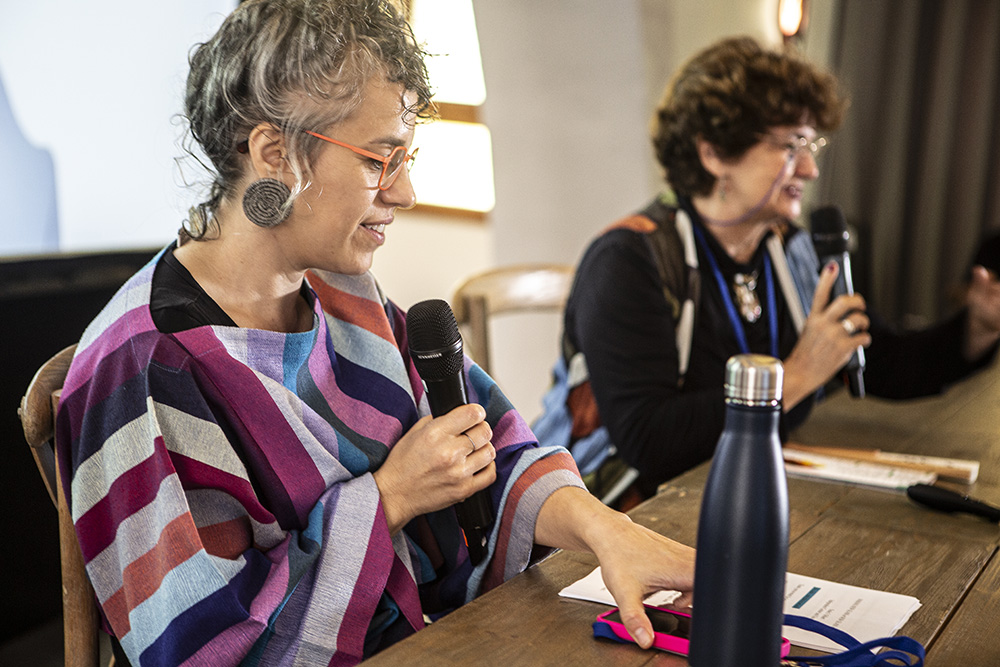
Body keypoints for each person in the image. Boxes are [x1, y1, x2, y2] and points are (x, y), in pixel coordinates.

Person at [53, 1, 694, 665]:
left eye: (407, 156)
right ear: (274, 152)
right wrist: (389, 497)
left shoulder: (344, 292)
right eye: (379, 159)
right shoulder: (140, 366)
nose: (408, 190)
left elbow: (489, 445)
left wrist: (611, 531)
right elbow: (202, 648)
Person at [534, 36, 1000, 503]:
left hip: (750, 488)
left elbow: (885, 363)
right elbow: (652, 443)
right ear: (714, 152)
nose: (811, 169)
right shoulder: (630, 260)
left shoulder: (792, 249)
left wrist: (977, 327)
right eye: (791, 145)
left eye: (811, 142)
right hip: (629, 514)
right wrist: (794, 377)